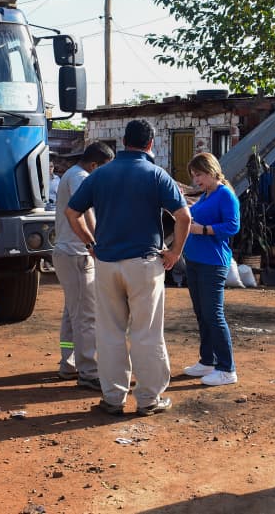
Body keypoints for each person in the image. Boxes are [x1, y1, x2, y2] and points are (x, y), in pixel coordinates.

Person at [65, 119, 191, 417]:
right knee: (145, 333)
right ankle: (147, 399)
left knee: (109, 333)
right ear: (150, 143)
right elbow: (184, 217)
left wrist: (90, 243)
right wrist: (174, 253)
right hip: (144, 265)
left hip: (106, 264)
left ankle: (113, 398)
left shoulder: (100, 174)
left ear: (124, 141)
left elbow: (73, 212)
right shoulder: (157, 175)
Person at [53, 142, 115, 390]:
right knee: (86, 317)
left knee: (72, 314)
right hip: (77, 254)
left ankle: (68, 363)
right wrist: (94, 243)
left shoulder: (71, 174)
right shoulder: (80, 177)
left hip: (68, 253)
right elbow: (83, 210)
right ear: (94, 165)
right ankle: (89, 371)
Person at [182, 152, 241, 386]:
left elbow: (232, 226)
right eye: (194, 176)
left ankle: (227, 369)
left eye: (200, 174)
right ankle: (208, 360)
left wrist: (203, 230)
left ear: (212, 171)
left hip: (213, 262)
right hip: (195, 260)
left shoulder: (225, 195)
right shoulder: (206, 195)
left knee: (214, 315)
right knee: (202, 313)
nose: (197, 180)